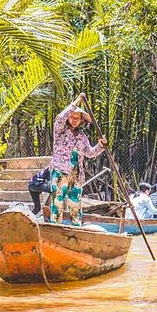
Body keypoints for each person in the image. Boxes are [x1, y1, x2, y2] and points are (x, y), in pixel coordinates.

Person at [49, 93, 107, 226]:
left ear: (81, 120)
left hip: (76, 175)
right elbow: (59, 118)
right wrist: (78, 101)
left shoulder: (82, 136)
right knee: (58, 202)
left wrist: (101, 145)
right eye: (72, 117)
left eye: (77, 118)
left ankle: (76, 227)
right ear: (68, 117)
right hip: (60, 172)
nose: (74, 120)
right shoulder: (60, 131)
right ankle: (55, 227)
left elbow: (90, 153)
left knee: (75, 205)